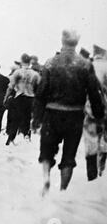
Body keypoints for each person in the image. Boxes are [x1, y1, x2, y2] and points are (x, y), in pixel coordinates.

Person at [32, 30, 105, 195]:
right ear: (77, 42)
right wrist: (99, 116)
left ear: (62, 41)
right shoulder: (85, 64)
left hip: (52, 113)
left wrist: (36, 118)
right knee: (69, 157)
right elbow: (94, 93)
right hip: (75, 115)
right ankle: (63, 192)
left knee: (46, 151)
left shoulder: (50, 63)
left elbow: (41, 93)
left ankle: (46, 179)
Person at [4, 53, 41, 145]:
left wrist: (5, 98)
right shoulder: (35, 74)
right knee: (27, 117)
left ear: (22, 61)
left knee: (15, 118)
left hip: (20, 97)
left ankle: (11, 138)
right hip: (31, 98)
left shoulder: (18, 72)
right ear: (29, 62)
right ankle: (27, 135)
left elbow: (10, 87)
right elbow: (39, 88)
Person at [83, 45, 107, 181]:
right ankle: (102, 169)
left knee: (91, 142)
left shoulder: (88, 67)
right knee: (105, 141)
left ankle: (91, 176)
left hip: (91, 109)